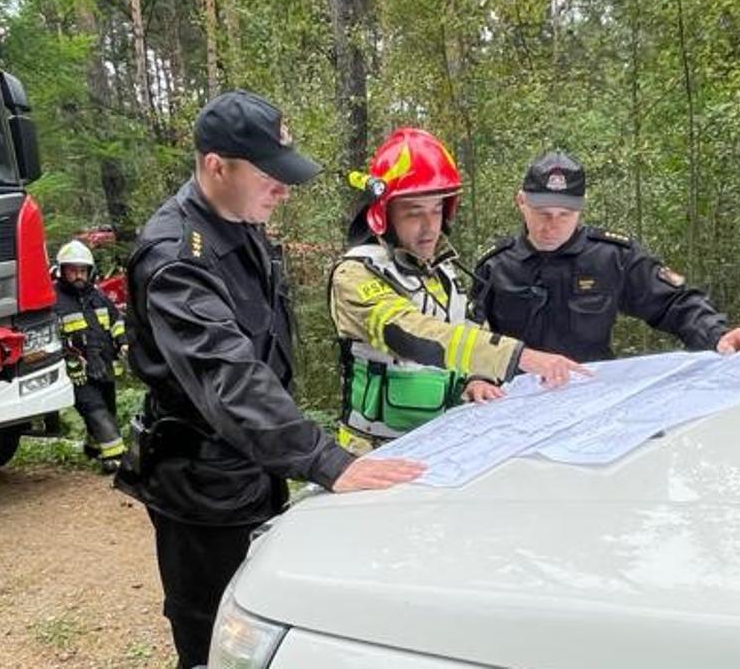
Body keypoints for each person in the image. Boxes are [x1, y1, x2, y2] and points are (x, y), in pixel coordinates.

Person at [117, 90, 424, 668]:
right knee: (216, 637)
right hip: (203, 483)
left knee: (263, 621)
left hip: (252, 466)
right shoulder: (178, 256)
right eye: (268, 175)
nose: (283, 190)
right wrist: (331, 462)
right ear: (216, 165)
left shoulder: (242, 221)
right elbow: (228, 378)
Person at [327, 128, 585, 454]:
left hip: (443, 443)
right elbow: (412, 334)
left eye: (436, 210)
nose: (430, 226)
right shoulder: (354, 274)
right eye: (414, 212)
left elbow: (471, 329)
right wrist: (521, 357)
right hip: (376, 451)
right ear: (383, 215)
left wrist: (478, 379)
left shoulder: (441, 271)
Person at [473, 150, 740, 363]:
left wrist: (718, 335)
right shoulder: (495, 267)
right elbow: (471, 340)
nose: (552, 225)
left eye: (565, 215)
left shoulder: (611, 257)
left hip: (592, 397)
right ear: (521, 202)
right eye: (542, 213)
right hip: (515, 408)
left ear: (582, 208)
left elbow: (674, 303)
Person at [52, 239, 128, 471]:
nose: (78, 275)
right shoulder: (52, 300)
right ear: (61, 271)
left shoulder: (98, 296)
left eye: (82, 270)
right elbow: (49, 338)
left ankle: (93, 447)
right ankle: (117, 459)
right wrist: (68, 360)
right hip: (78, 373)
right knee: (95, 410)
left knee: (108, 408)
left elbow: (116, 322)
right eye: (72, 270)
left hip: (104, 366)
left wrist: (124, 343)